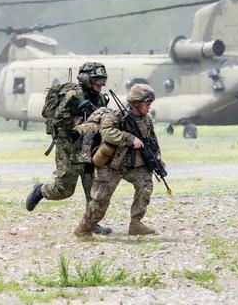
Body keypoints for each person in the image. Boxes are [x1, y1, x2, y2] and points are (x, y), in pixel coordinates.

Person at [25, 62, 112, 235]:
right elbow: (59, 122)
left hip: (90, 148)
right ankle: (40, 190)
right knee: (63, 190)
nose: (100, 84)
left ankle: (90, 224)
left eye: (102, 80)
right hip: (69, 149)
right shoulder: (73, 96)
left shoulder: (101, 98)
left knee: (94, 190)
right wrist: (81, 125)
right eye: (96, 80)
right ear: (86, 78)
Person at [75, 83, 163, 238]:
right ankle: (84, 228)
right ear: (137, 103)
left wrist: (157, 157)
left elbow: (152, 140)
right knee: (100, 200)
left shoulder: (146, 119)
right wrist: (129, 138)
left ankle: (136, 224)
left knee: (145, 186)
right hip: (112, 165)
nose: (149, 107)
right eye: (147, 104)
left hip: (134, 165)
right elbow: (107, 132)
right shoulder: (117, 115)